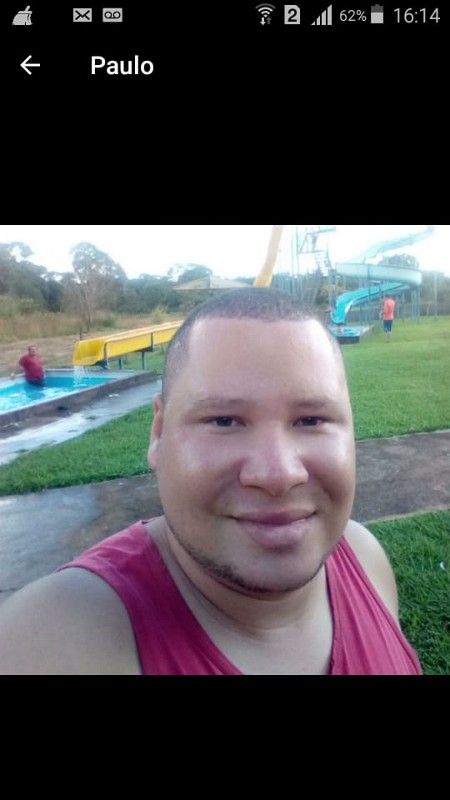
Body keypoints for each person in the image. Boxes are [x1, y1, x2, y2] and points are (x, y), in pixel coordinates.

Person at [0, 288, 421, 675]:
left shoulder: (364, 557)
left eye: (311, 420)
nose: (278, 475)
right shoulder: (54, 636)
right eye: (224, 421)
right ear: (159, 434)